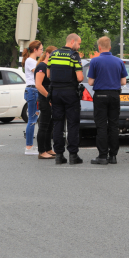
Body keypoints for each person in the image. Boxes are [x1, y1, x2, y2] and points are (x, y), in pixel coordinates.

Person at [87, 37, 128, 165]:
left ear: (99, 47)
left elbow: (90, 82)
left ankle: (102, 156)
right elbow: (123, 82)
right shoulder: (119, 61)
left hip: (100, 96)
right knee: (114, 125)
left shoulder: (95, 61)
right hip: (115, 95)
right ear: (110, 47)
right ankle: (113, 156)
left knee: (101, 126)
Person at [48, 34, 84, 165]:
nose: (79, 46)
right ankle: (73, 156)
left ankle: (59, 155)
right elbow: (80, 78)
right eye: (79, 44)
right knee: (73, 123)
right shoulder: (74, 55)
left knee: (58, 123)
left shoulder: (53, 54)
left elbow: (48, 74)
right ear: (73, 42)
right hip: (70, 93)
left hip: (55, 92)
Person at [35, 46, 57, 159]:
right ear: (47, 54)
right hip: (44, 100)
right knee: (43, 126)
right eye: (53, 54)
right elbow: (38, 84)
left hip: (50, 100)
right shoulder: (42, 66)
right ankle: (41, 151)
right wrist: (48, 97)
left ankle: (48, 148)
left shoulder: (49, 66)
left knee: (50, 126)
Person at [23, 40, 43, 156]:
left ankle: (30, 146)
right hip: (33, 90)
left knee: (33, 119)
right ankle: (29, 147)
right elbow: (39, 74)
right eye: (41, 49)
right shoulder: (31, 61)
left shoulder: (32, 61)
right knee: (32, 120)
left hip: (33, 91)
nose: (42, 51)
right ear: (35, 50)